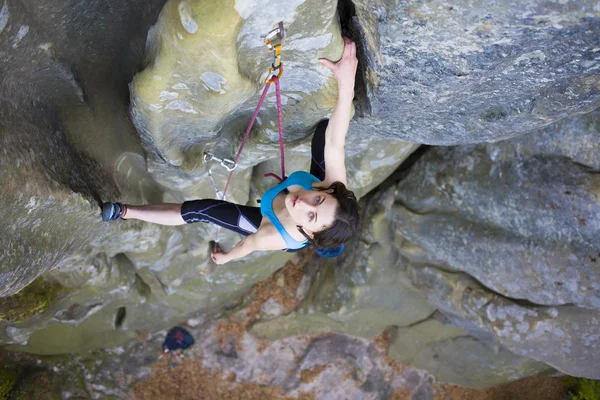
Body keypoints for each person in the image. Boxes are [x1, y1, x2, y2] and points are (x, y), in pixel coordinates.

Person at [102, 38, 360, 265]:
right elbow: (336, 140)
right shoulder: (332, 186)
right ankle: (331, 239)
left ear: (309, 232)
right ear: (327, 191)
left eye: (311, 216)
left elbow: (247, 246)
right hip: (314, 198)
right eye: (317, 200)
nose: (303, 203)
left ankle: (123, 212)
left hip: (268, 216)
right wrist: (346, 81)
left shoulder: (272, 234)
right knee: (325, 131)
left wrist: (226, 258)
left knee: (198, 210)